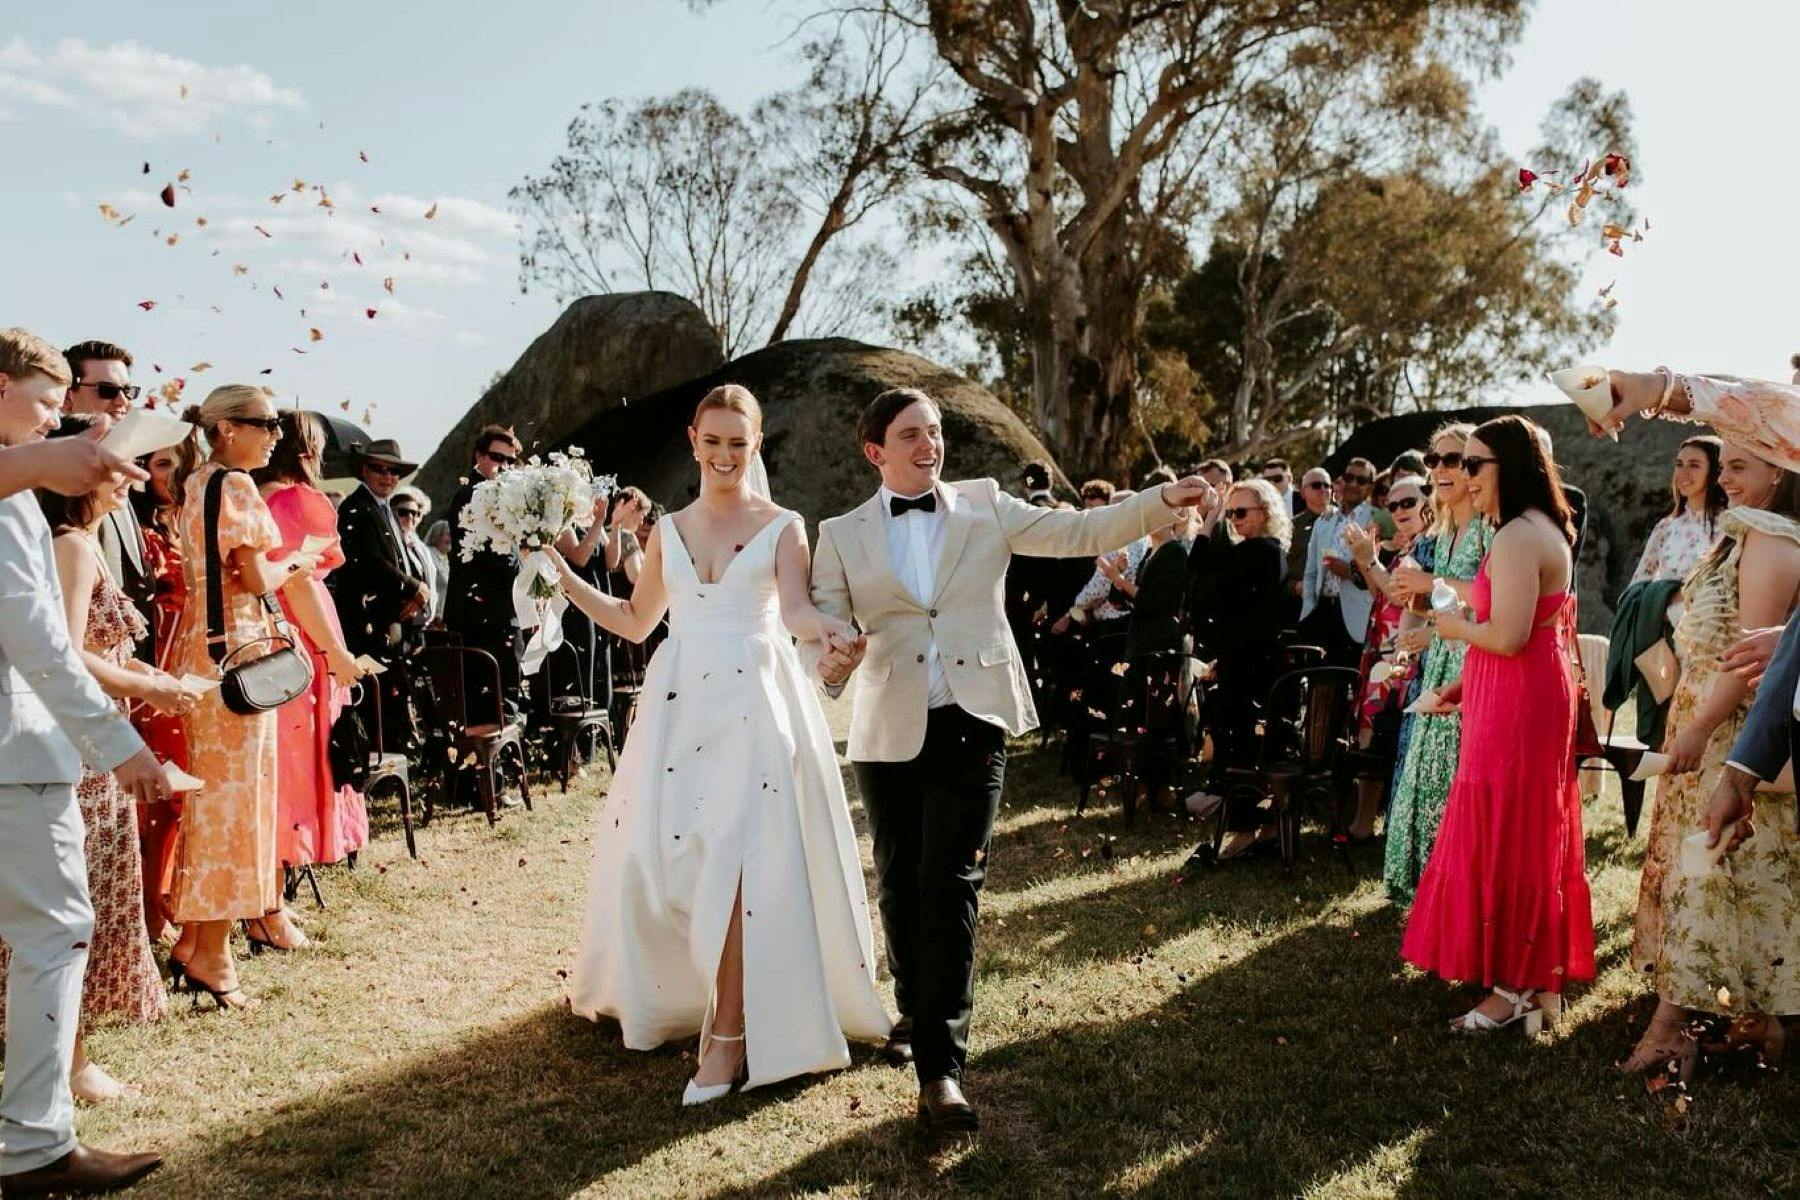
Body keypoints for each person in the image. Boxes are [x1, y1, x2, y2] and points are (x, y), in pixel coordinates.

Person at [805, 386, 1212, 1132]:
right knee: (900, 885)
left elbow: (1083, 529)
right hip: (887, 726)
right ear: (874, 452)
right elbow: (822, 632)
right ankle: (913, 1007)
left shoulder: (986, 503)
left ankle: (942, 1072)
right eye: (910, 436)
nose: (929, 446)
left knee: (953, 883)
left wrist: (1159, 500)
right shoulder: (838, 533)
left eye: (934, 432)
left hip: (974, 715)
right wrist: (837, 655)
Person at [560, 385, 892, 1105]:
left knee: (742, 857)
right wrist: (561, 580)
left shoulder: (783, 526)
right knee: (670, 856)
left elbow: (798, 610)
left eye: (738, 443)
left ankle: (731, 1033)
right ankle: (691, 995)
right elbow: (635, 619)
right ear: (692, 440)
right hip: (681, 706)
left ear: (756, 445)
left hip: (753, 701)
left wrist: (831, 632)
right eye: (713, 442)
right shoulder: (668, 530)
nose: (724, 455)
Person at [0, 327, 166, 1197]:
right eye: (46, 394)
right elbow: (38, 644)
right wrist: (124, 748)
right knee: (55, 931)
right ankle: (32, 1145)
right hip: (14, 756)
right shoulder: (15, 498)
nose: (59, 413)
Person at [1401, 415, 1593, 1034]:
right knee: (1521, 826)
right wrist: (1462, 685)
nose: (1460, 476)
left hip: (1519, 695)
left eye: (1473, 464)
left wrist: (1448, 628)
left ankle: (1517, 987)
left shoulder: (1515, 537)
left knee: (1512, 831)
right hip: (1517, 689)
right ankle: (1528, 981)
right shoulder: (1537, 530)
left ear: (1509, 467)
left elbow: (1506, 636)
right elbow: (1522, 625)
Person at [1622, 440, 1800, 1075]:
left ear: (1781, 472)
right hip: (1704, 712)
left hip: (1734, 731)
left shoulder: (1774, 542)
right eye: (1724, 467)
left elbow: (1754, 662)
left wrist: (1697, 727)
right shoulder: (1743, 531)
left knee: (1718, 874)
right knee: (1726, 877)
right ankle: (1754, 1022)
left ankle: (1677, 1027)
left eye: (1740, 468)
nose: (1725, 479)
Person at [165, 385, 325, 1010]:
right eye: (267, 424)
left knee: (218, 806)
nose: (276, 436)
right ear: (227, 428)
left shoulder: (196, 483)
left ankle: (201, 940)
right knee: (234, 810)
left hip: (204, 655)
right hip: (238, 655)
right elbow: (256, 576)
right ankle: (209, 951)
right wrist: (297, 564)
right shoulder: (234, 487)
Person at [252, 411, 368, 929]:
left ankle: (267, 895)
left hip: (264, 632)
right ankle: (269, 902)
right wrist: (336, 655)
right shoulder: (295, 499)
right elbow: (298, 582)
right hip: (297, 636)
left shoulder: (250, 496)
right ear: (306, 451)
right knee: (295, 763)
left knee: (275, 763)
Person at [1382, 426, 1490, 902]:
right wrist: (1418, 616)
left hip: (1477, 664)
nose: (1442, 469)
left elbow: (1494, 604)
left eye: (1455, 460)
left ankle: (1457, 894)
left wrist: (1429, 590)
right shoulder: (1444, 531)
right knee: (1426, 774)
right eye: (1434, 460)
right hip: (1441, 661)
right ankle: (1430, 889)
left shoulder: (1491, 528)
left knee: (1456, 778)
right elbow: (1439, 604)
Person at [1183, 478, 1290, 858]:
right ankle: (1257, 828)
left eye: (1241, 512)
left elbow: (1198, 580)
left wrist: (1208, 525)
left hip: (1251, 670)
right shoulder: (1257, 551)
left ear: (1267, 514)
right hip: (1244, 663)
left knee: (1240, 748)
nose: (1235, 519)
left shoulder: (1261, 551)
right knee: (1239, 746)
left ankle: (1246, 831)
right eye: (1231, 513)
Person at [1344, 474, 1436, 840]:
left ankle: (1375, 824)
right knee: (1372, 732)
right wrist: (1367, 560)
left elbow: (1404, 598)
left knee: (1388, 735)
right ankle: (1365, 821)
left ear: (1428, 503)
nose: (1398, 510)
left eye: (1408, 502)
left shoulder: (1431, 546)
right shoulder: (1408, 547)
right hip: (1382, 646)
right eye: (1392, 505)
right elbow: (1380, 593)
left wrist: (1371, 562)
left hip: (1406, 653)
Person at [130, 439, 194, 942]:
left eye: (179, 464)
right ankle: (150, 907)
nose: (172, 475)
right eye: (161, 465)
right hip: (154, 667)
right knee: (158, 794)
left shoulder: (188, 522)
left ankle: (170, 897)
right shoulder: (142, 534)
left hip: (190, 666)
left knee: (181, 794)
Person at [333, 438, 430, 746]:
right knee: (372, 694)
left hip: (388, 617)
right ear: (364, 469)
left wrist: (414, 594)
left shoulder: (382, 508)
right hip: (366, 621)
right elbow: (372, 562)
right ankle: (375, 762)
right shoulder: (355, 508)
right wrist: (415, 587)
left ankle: (390, 757)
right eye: (379, 469)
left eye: (394, 472)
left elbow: (395, 560)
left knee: (390, 692)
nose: (388, 477)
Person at [61, 341, 153, 655]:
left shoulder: (122, 468)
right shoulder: (48, 479)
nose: (122, 402)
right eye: (107, 390)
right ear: (67, 396)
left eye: (129, 391)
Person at [446, 425, 524, 721]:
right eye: (496, 457)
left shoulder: (506, 495)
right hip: (480, 617)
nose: (503, 466)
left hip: (500, 614)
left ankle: (500, 764)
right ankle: (491, 767)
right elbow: (496, 559)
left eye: (511, 461)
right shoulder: (470, 495)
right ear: (478, 455)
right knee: (487, 706)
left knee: (505, 699)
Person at [1298, 459, 1376, 666]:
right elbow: (1311, 572)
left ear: (1370, 486)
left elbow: (1380, 570)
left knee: (1349, 678)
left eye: (1361, 480)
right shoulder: (1325, 519)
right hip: (1321, 611)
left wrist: (1349, 571)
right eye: (1349, 478)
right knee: (1317, 680)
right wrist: (1307, 609)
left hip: (1356, 614)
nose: (1353, 484)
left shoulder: (1375, 519)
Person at [1632, 435, 1727, 583]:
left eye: (1694, 465)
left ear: (1715, 471)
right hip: (1665, 606)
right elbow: (1637, 586)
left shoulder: (1730, 526)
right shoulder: (1665, 527)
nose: (1683, 473)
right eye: (1679, 464)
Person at [392, 486, 436, 622]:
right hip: (398, 617)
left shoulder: (421, 547)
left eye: (415, 513)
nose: (410, 517)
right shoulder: (389, 541)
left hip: (421, 619)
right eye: (403, 512)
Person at [422, 517, 453, 622]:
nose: (450, 538)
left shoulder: (446, 559)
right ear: (436, 536)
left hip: (442, 619)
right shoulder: (429, 555)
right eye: (447, 534)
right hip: (431, 618)